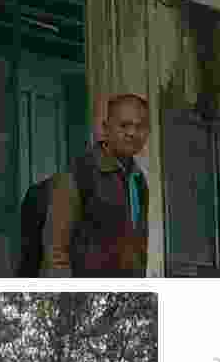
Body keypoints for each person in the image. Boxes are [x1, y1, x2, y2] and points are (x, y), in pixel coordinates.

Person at [43, 92, 151, 276]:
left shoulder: (139, 181)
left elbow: (138, 249)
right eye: (124, 125)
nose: (132, 133)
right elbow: (55, 253)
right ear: (105, 128)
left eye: (140, 127)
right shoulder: (78, 175)